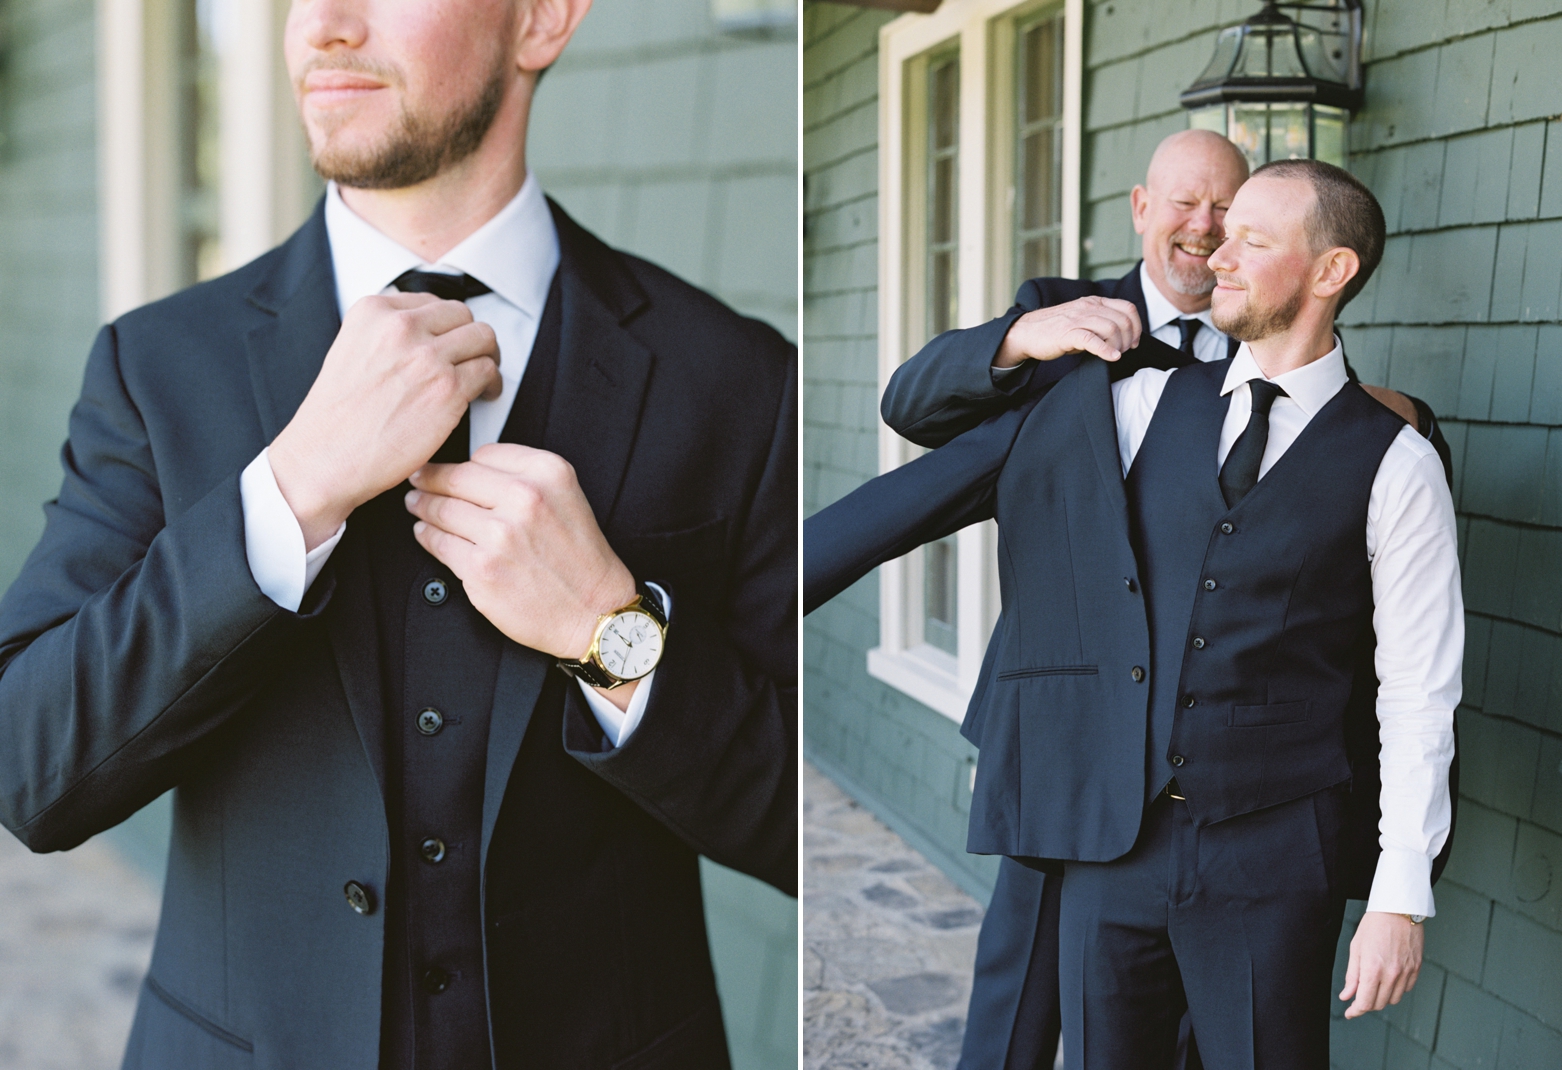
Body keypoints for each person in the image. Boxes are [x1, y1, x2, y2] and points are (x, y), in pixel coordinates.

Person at [0, 1, 795, 1067]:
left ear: (542, 21)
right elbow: (31, 767)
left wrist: (612, 632)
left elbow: (797, 822)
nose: (320, 26)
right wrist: (288, 496)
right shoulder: (155, 370)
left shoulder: (734, 379)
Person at [807, 159, 1459, 1069]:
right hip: (1099, 808)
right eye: (1201, 217)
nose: (1215, 250)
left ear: (1329, 271)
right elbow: (923, 463)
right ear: (1142, 205)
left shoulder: (1395, 455)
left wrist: (1400, 895)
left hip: (1274, 851)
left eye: (1244, 231)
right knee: (1040, 1028)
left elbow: (1419, 690)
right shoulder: (1114, 389)